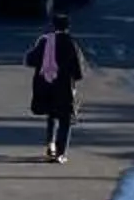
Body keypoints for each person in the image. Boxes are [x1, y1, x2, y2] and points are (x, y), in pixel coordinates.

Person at [24, 13, 87, 161]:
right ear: (68, 27)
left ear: (52, 26)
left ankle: (50, 144)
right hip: (63, 86)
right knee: (65, 118)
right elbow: (78, 70)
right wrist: (74, 78)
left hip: (45, 84)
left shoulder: (45, 41)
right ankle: (60, 152)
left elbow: (30, 60)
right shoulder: (70, 43)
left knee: (51, 114)